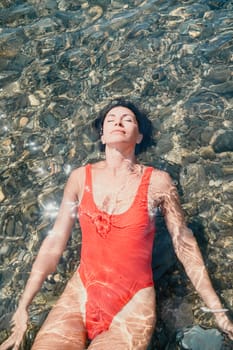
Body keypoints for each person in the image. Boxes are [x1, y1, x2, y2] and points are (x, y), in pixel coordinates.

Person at [0, 99, 233, 350]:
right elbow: (55, 241)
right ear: (102, 136)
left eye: (127, 119)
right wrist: (23, 307)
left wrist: (216, 308)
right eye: (110, 120)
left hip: (133, 303)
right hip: (81, 293)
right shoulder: (80, 178)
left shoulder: (159, 182)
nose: (118, 122)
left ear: (140, 135)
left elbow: (184, 244)